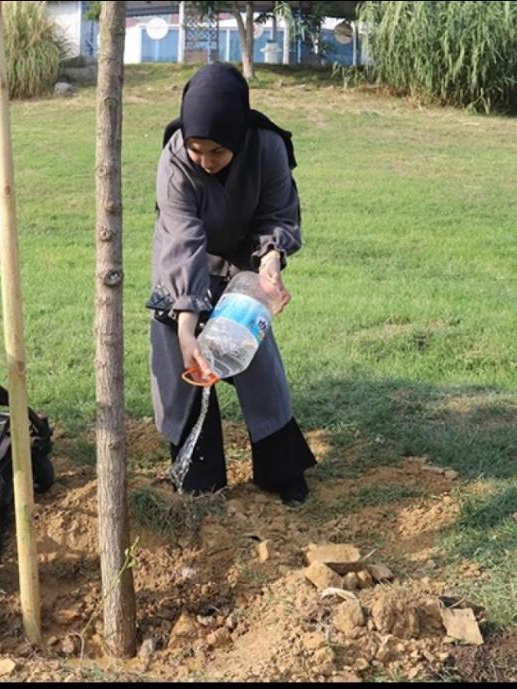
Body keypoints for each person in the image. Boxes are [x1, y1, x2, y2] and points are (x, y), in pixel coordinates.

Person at [147, 62, 317, 505]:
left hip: (245, 257)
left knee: (254, 355)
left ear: (239, 137)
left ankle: (279, 470)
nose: (205, 161)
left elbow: (279, 213)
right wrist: (187, 326)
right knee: (180, 362)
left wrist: (271, 262)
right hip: (185, 260)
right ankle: (198, 474)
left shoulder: (268, 147)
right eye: (197, 148)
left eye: (217, 152)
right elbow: (183, 240)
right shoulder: (175, 159)